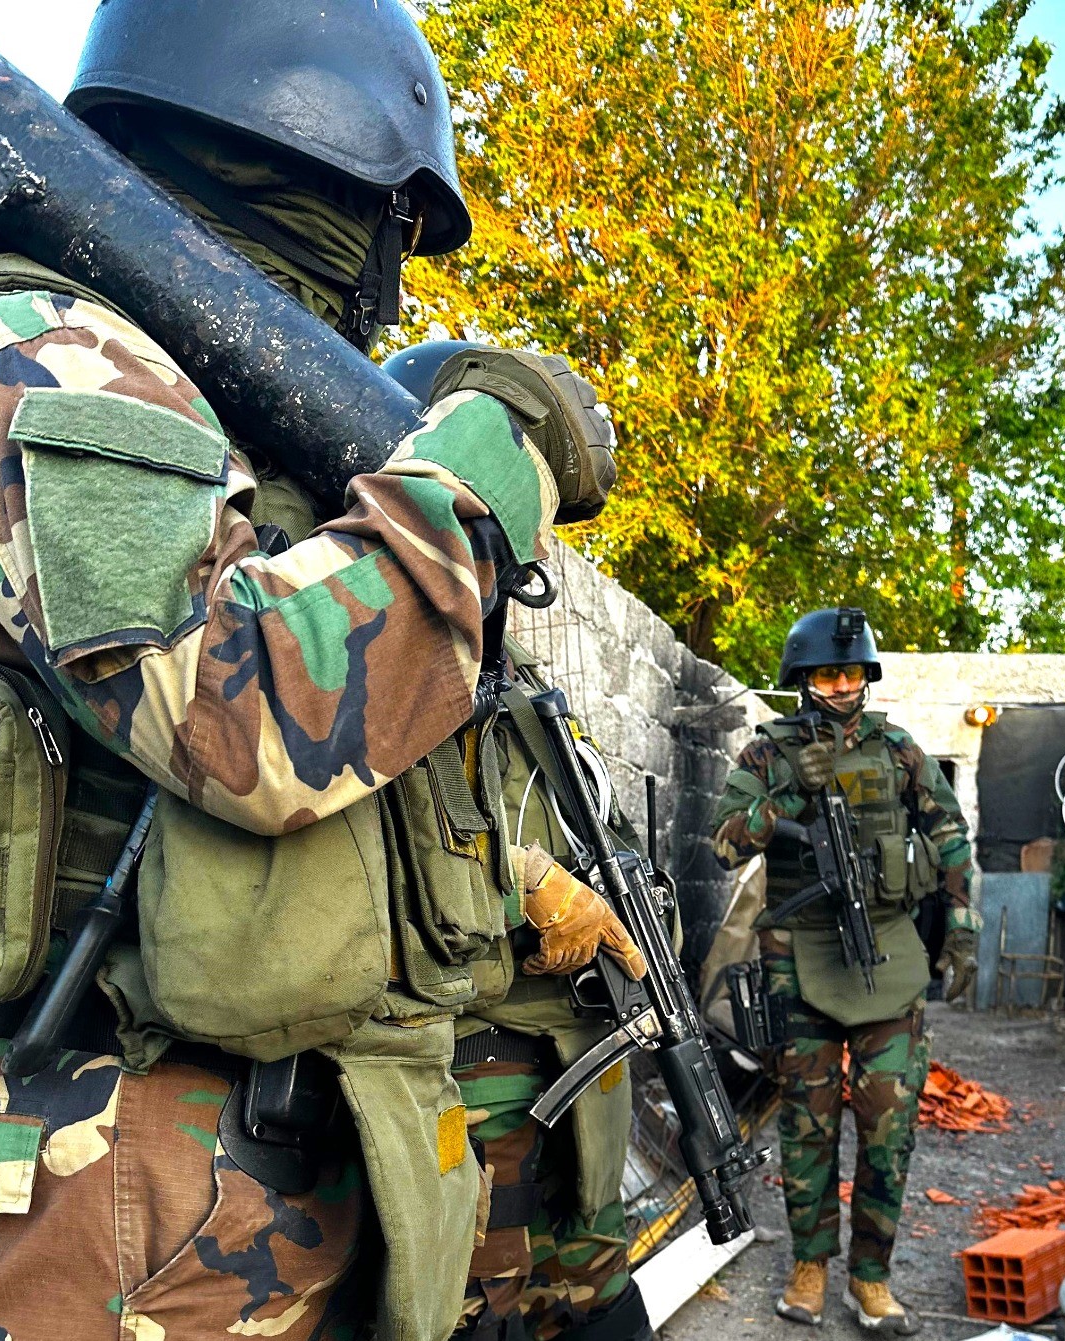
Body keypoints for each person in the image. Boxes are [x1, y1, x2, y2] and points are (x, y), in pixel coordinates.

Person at [0, 4, 637, 1338]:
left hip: (272, 1152)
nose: (390, 277)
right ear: (336, 174)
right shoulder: (37, 344)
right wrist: (483, 480)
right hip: (124, 1182)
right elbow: (242, 710)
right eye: (398, 228)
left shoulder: (200, 394)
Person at [386, 342, 653, 1341]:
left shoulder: (531, 702)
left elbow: (597, 830)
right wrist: (524, 885)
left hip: (570, 1070)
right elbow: (354, 860)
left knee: (594, 1309)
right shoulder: (367, 675)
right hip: (452, 1084)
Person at [710, 608, 978, 1334]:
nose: (841, 684)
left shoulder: (898, 750)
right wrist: (790, 795)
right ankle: (811, 1264)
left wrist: (961, 928)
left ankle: (871, 1275)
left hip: (887, 950)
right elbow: (726, 845)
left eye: (852, 671)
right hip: (799, 954)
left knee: (890, 1120)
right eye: (827, 673)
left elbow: (948, 836)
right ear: (802, 679)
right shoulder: (770, 750)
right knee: (807, 1122)